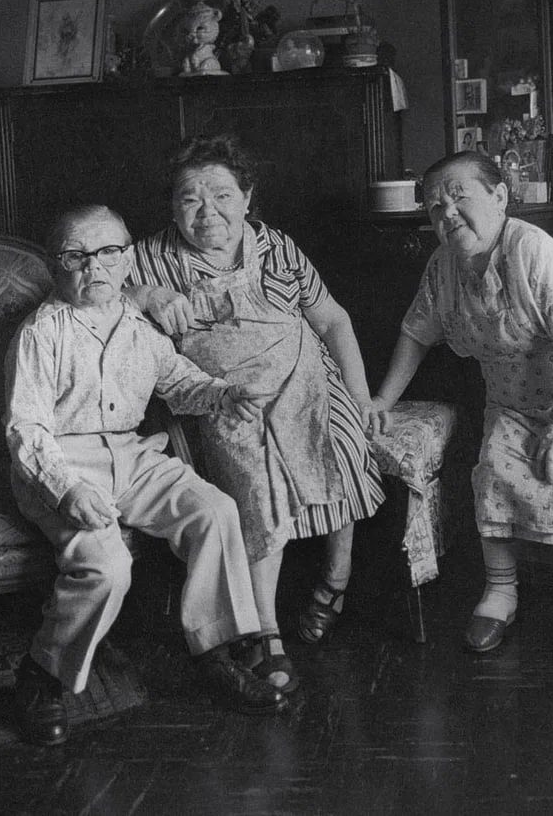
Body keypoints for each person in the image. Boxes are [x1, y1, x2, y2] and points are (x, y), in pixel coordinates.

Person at [368, 151, 553, 675]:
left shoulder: (533, 251)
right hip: (515, 397)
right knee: (493, 473)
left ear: (500, 197)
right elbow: (416, 333)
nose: (447, 214)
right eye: (435, 207)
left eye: (460, 197)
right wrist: (383, 401)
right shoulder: (443, 267)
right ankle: (500, 593)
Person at [5, 204, 287, 747]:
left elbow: (179, 381)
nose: (95, 268)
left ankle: (215, 652)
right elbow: (26, 430)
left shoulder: (138, 325)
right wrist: (67, 490)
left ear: (128, 259)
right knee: (107, 567)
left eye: (109, 253)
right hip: (62, 464)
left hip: (131, 457)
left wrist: (224, 394)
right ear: (55, 266)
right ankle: (41, 674)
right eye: (76, 256)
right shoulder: (42, 332)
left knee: (215, 511)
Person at [126, 134, 385, 694]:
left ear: (247, 197)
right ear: (173, 207)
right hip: (224, 394)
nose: (207, 212)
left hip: (304, 375)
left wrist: (363, 399)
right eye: (190, 199)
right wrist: (144, 295)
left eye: (221, 195)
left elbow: (333, 321)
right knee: (252, 474)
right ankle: (265, 627)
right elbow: (91, 292)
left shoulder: (278, 248)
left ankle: (335, 581)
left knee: (340, 439)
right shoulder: (146, 257)